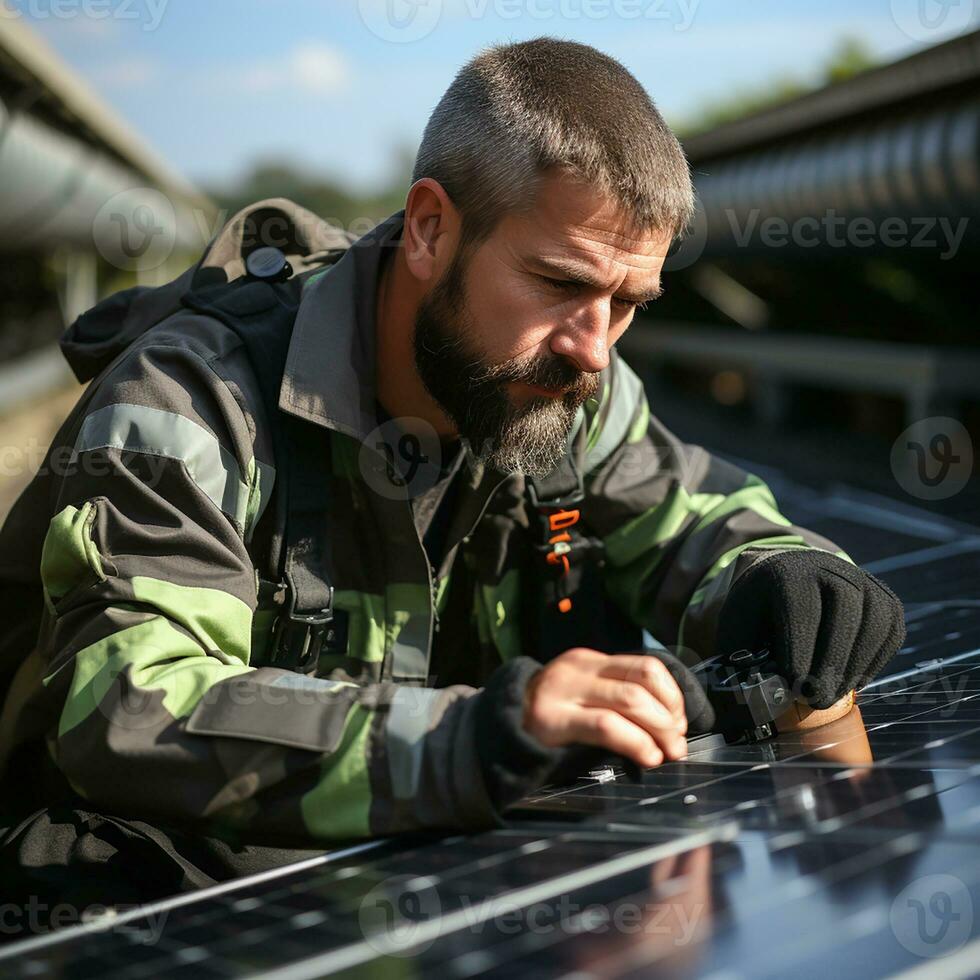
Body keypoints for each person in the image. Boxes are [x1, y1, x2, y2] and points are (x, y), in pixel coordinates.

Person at [0, 38, 905, 915]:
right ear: (431, 228)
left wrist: (786, 574)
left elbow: (692, 516)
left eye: (628, 305)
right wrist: (474, 741)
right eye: (557, 282)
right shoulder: (189, 402)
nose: (593, 351)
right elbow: (122, 704)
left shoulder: (569, 386)